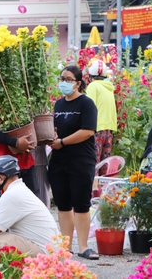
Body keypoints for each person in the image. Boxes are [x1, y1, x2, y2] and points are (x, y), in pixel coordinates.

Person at [47, 65, 99, 260]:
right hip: (59, 160)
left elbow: (88, 131)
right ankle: (65, 246)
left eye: (68, 79)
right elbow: (56, 127)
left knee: (81, 203)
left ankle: (84, 246)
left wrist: (62, 142)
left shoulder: (86, 104)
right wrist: (52, 135)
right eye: (62, 78)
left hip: (80, 160)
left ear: (78, 83)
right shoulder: (59, 105)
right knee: (63, 204)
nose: (63, 82)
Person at [0, 97, 40, 200]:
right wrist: (15, 143)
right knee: (8, 203)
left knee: (32, 201)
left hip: (26, 162)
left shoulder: (20, 98)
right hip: (4, 166)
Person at [85, 60, 117, 175]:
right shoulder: (109, 88)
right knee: (104, 164)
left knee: (93, 163)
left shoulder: (93, 86)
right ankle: (104, 191)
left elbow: (89, 107)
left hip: (97, 128)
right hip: (108, 129)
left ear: (90, 76)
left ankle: (93, 191)